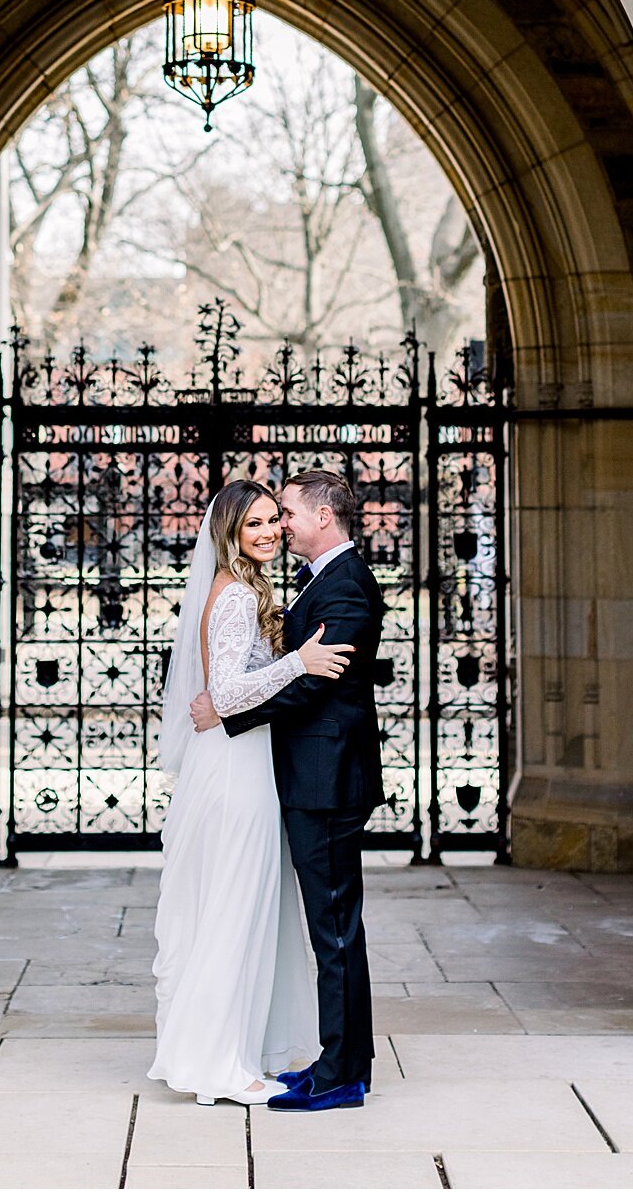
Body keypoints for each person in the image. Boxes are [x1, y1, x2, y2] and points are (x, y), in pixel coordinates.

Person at [148, 480, 353, 1107]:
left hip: (239, 764)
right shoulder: (236, 598)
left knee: (234, 911)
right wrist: (300, 663)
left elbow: (221, 695)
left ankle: (226, 1052)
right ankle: (221, 1067)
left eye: (274, 520)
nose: (268, 532)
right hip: (235, 773)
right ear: (229, 532)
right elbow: (228, 693)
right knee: (234, 914)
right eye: (254, 523)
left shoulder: (240, 590)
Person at [190, 469, 384, 1114]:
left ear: (323, 517)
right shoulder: (321, 580)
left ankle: (342, 1075)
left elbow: (318, 683)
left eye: (287, 514)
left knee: (332, 929)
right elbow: (294, 668)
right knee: (327, 927)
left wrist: (228, 710)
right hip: (309, 775)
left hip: (327, 780)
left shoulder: (347, 586)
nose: (280, 525)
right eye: (267, 518)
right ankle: (339, 1060)